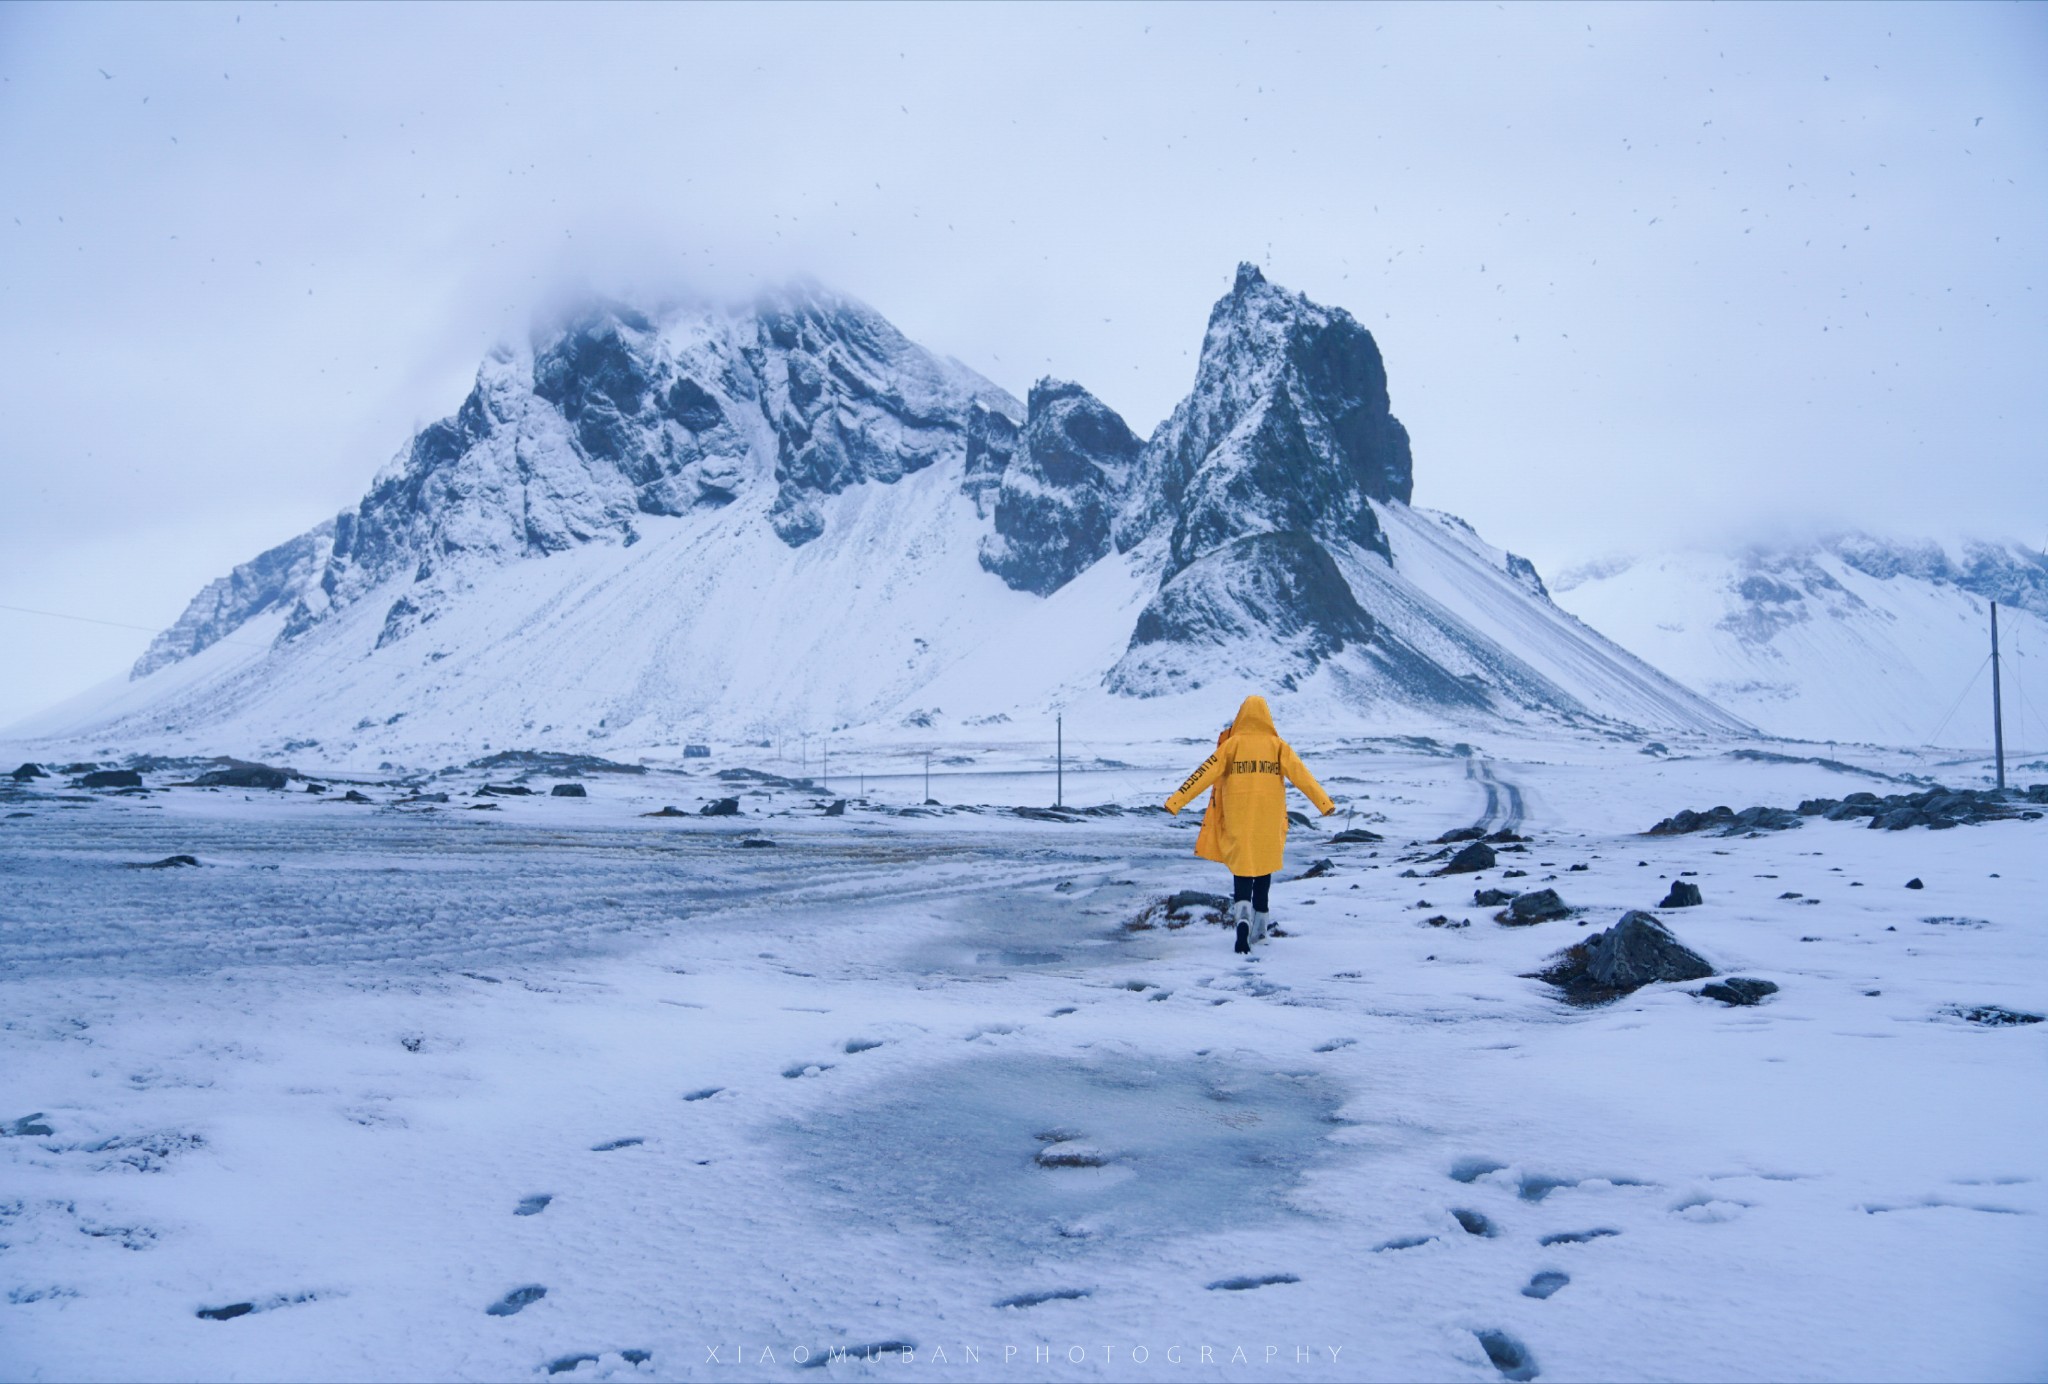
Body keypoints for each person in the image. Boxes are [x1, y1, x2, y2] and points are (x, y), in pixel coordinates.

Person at [1164, 694, 1336, 955]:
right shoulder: (1278, 746)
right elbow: (1303, 777)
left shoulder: (1231, 746)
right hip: (1268, 819)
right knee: (1263, 870)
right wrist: (1324, 804)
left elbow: (1202, 774)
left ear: (1242, 716)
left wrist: (1176, 801)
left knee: (1242, 870)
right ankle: (1260, 928)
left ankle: (1242, 919)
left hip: (1238, 818)